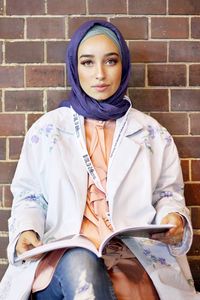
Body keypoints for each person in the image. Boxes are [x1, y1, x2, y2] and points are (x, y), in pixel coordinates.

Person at [0, 20, 199, 300]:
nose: (100, 74)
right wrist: (26, 230)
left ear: (124, 66)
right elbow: (30, 196)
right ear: (74, 67)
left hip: (134, 257)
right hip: (62, 258)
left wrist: (173, 216)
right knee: (83, 268)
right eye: (88, 63)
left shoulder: (153, 134)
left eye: (111, 61)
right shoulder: (47, 131)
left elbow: (167, 193)